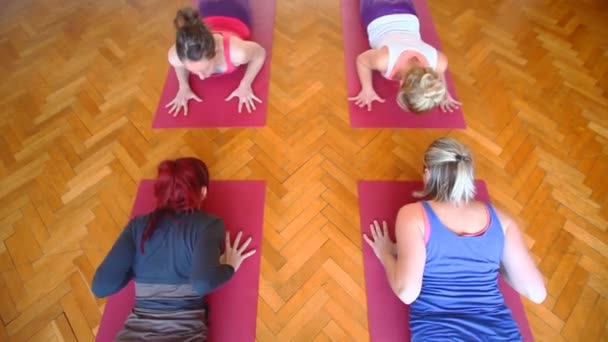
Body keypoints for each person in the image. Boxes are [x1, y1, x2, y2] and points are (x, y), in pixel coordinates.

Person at [364, 137, 546, 341]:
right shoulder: (503, 221)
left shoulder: (413, 215)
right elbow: (537, 293)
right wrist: (494, 261)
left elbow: (407, 293)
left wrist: (386, 253)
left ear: (428, 173)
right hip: (500, 334)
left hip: (440, 334)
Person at [92, 157, 255, 341]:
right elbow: (202, 283)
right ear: (203, 192)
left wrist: (135, 268)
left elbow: (101, 286)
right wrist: (229, 267)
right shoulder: (209, 224)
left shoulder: (137, 225)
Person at [349, 0, 461, 113]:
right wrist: (367, 89)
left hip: (407, 13)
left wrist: (445, 95)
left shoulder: (440, 62)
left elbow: (439, 73)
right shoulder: (384, 60)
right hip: (377, 12)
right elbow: (362, 60)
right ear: (401, 84)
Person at [166, 0, 266, 115]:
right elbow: (179, 64)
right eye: (193, 71)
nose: (202, 77)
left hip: (236, 10)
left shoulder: (237, 52)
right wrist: (183, 86)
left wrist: (245, 84)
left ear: (215, 51)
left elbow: (260, 53)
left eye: (205, 69)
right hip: (208, 10)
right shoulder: (175, 57)